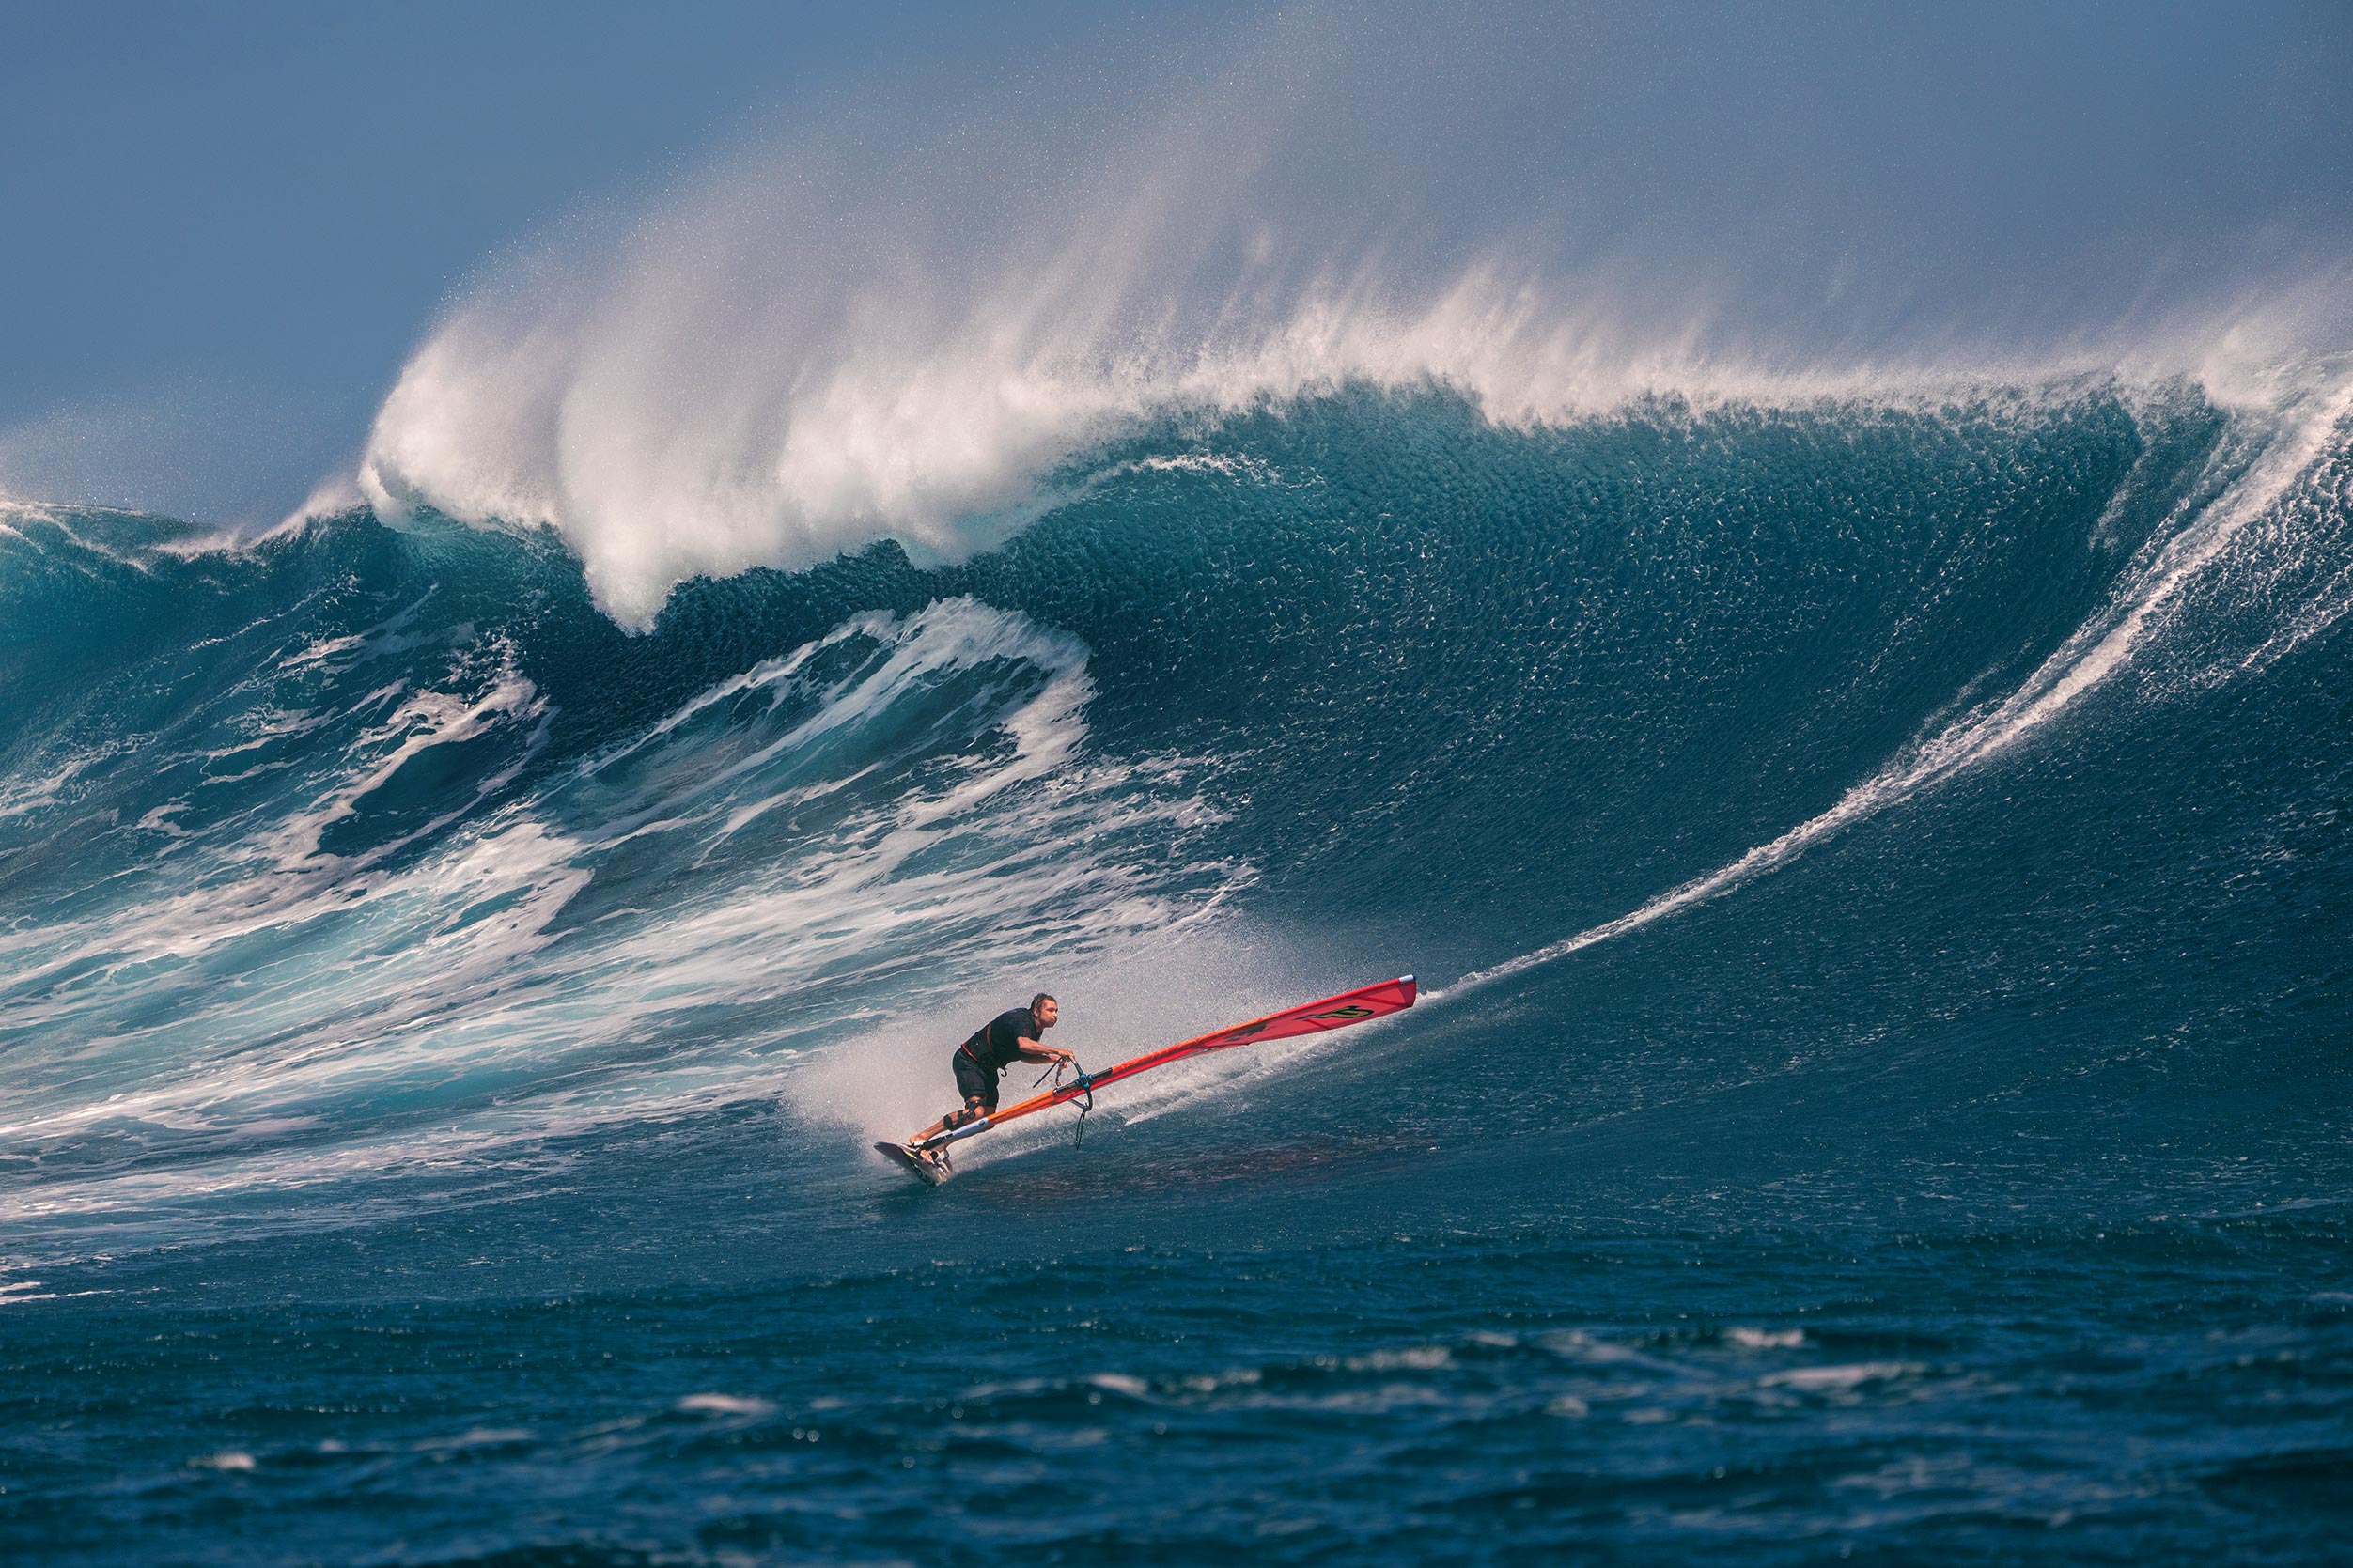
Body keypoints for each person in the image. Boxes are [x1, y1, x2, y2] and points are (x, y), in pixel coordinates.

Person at [901, 993, 1072, 1165]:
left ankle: (939, 1147)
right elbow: (1024, 1045)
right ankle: (921, 1137)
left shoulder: (1035, 1030)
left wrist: (1052, 1059)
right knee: (975, 1112)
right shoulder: (1022, 1020)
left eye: (1057, 1011)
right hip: (969, 1061)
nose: (1055, 1014)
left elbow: (1024, 1055)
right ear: (1036, 1011)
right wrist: (1058, 1051)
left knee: (987, 1121)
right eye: (1050, 1010)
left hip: (988, 1069)